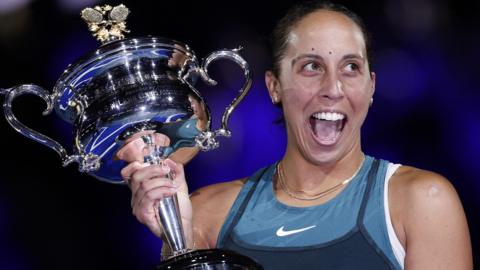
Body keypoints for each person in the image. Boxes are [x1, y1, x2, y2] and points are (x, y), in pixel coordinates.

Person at [116, 1, 473, 269]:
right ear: (275, 87)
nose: (333, 87)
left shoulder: (423, 202)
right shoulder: (208, 213)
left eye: (351, 67)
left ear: (371, 87)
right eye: (311, 67)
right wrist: (176, 242)